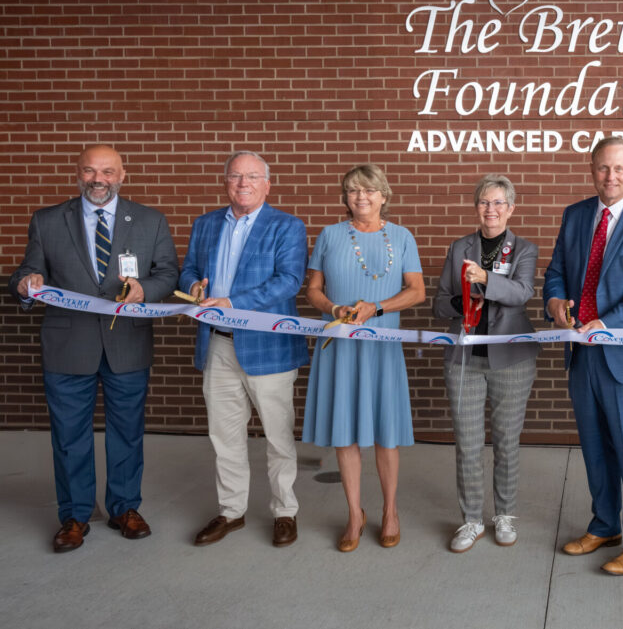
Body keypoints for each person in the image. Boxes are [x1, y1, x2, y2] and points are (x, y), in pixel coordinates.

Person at [9, 144, 178, 552]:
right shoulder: (47, 220)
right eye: (89, 171)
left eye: (106, 171)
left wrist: (145, 290)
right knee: (69, 437)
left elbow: (167, 273)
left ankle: (123, 507)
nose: (97, 179)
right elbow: (29, 269)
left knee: (127, 433)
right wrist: (26, 283)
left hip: (128, 343)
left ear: (122, 175)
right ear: (78, 173)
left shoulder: (151, 221)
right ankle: (75, 515)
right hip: (69, 344)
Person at [543, 136, 623, 576]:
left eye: (619, 169)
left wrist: (607, 323)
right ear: (592, 170)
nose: (610, 177)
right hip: (582, 351)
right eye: (602, 168)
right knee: (596, 447)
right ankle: (605, 525)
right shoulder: (576, 214)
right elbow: (558, 269)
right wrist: (555, 302)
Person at [179, 150, 309, 549]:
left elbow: (288, 281)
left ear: (267, 184)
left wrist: (231, 302)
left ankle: (284, 511)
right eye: (235, 177)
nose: (243, 184)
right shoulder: (205, 224)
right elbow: (187, 268)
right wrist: (196, 287)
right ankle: (231, 511)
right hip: (217, 344)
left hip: (268, 347)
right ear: (225, 182)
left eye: (252, 177)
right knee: (224, 435)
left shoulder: (286, 226)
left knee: (278, 437)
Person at [302, 164, 425, 552]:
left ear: (383, 196)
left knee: (386, 434)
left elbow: (417, 291)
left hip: (381, 346)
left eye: (369, 190)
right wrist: (333, 308)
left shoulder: (402, 236)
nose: (361, 197)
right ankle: (355, 513)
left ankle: (390, 511)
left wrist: (379, 308)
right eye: (353, 191)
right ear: (346, 197)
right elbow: (313, 290)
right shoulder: (329, 235)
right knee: (345, 431)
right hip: (339, 346)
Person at [433, 174, 541, 553]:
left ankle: (505, 514)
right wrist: (463, 302)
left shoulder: (525, 249)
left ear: (511, 209)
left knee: (507, 442)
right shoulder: (459, 246)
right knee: (467, 443)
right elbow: (439, 303)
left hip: (511, 360)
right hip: (464, 358)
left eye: (498, 203)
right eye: (484, 202)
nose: (490, 209)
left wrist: (484, 279)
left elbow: (522, 293)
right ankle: (471, 519)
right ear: (476, 207)